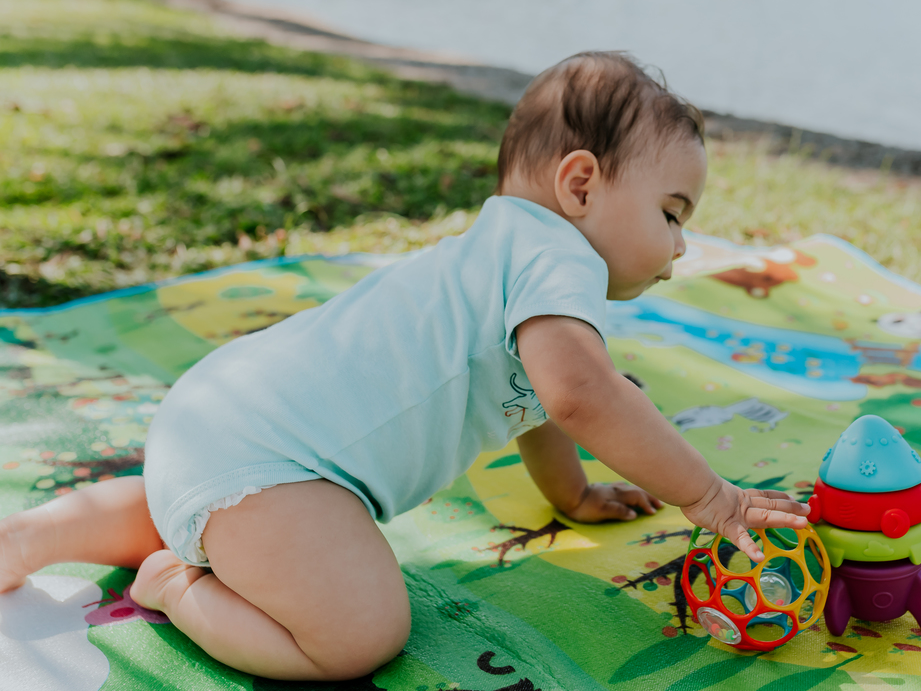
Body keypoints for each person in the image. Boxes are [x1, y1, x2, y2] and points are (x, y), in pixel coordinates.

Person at [0, 52, 808, 681]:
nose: (681, 246)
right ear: (581, 183)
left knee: (221, 506)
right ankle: (177, 586)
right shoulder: (563, 261)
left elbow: (537, 403)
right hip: (274, 460)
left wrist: (573, 493)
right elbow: (580, 395)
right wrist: (709, 494)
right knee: (360, 632)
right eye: (671, 213)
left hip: (218, 419)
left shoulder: (505, 257)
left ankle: (40, 533)